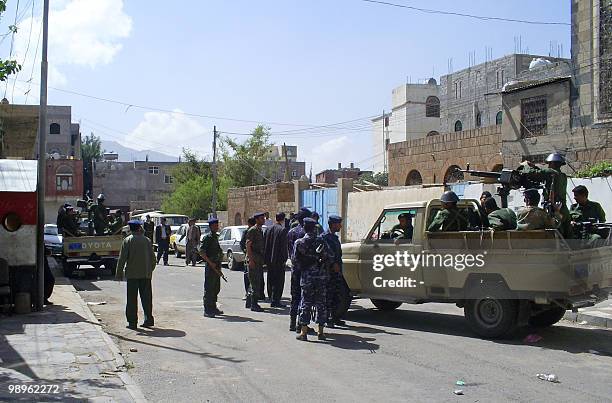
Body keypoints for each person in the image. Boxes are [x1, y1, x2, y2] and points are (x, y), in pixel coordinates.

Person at [295, 217, 331, 341]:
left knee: (306, 303)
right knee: (321, 304)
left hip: (307, 278)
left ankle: (304, 333)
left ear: (304, 227)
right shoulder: (321, 241)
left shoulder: (299, 242)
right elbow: (329, 257)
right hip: (320, 277)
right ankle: (321, 333)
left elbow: (295, 261)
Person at [115, 220, 156, 330]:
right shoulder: (147, 240)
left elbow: (122, 258)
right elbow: (153, 259)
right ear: (139, 228)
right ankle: (149, 320)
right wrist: (149, 270)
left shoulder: (127, 240)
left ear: (130, 228)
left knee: (132, 299)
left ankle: (132, 323)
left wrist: (119, 274)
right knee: (147, 298)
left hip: (132, 275)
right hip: (145, 275)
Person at [520, 153, 570, 237]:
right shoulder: (562, 176)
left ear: (553, 163)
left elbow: (532, 173)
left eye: (549, 163)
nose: (548, 165)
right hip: (563, 209)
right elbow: (543, 173)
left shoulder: (550, 172)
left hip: (554, 210)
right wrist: (534, 166)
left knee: (554, 235)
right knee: (567, 235)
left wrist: (525, 165)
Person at [287, 208, 311, 331]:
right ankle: (300, 325)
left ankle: (292, 323)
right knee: (303, 297)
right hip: (304, 269)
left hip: (294, 268)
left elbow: (289, 251)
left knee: (294, 296)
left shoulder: (291, 232)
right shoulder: (304, 234)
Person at [323, 214, 345, 328]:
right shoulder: (325, 237)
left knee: (337, 295)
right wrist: (332, 264)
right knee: (328, 295)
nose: (340, 226)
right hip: (329, 271)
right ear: (332, 224)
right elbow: (326, 254)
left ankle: (335, 317)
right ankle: (327, 318)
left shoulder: (334, 237)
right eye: (338, 224)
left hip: (336, 271)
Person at [199, 218, 224, 317]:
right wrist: (210, 262)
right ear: (211, 226)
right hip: (211, 266)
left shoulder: (215, 237)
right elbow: (201, 252)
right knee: (209, 288)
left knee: (216, 287)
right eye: (215, 225)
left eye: (217, 225)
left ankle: (213, 307)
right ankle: (207, 309)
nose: (217, 227)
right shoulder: (207, 238)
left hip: (217, 265)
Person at [264, 212, 289, 308]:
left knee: (270, 278)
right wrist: (285, 258)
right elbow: (283, 247)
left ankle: (271, 297)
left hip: (269, 259)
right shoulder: (282, 230)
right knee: (279, 281)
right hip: (278, 260)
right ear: (283, 220)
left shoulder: (268, 229)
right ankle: (276, 300)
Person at [246, 212, 266, 312]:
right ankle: (254, 304)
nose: (264, 220)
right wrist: (251, 260)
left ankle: (250, 302)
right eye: (262, 218)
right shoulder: (253, 230)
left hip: (258, 259)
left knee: (256, 281)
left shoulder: (259, 230)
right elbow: (248, 245)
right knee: (255, 282)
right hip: (254, 259)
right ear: (257, 219)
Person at [240, 217, 256, 298]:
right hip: (249, 257)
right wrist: (246, 251)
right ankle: (248, 293)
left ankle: (255, 293)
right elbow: (243, 243)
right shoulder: (247, 232)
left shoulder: (256, 231)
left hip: (255, 257)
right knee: (247, 276)